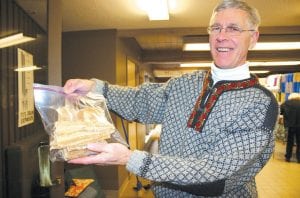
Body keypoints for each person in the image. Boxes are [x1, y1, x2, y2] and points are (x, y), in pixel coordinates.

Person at [63, 0, 279, 197]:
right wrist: (96, 88)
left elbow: (215, 176)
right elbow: (141, 101)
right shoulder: (184, 84)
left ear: (253, 37)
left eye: (233, 28)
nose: (221, 36)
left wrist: (130, 158)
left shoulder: (260, 104)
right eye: (215, 28)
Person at [280, 93, 300, 163]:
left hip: (290, 125)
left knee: (290, 142)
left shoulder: (286, 103)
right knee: (299, 142)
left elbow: (280, 112)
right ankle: (299, 158)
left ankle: (288, 157)